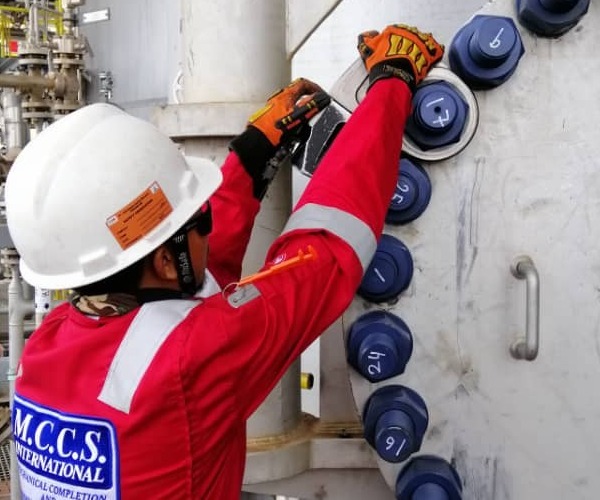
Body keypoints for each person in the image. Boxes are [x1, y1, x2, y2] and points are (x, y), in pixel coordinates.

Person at [5, 24, 443, 500]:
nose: (208, 225)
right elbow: (325, 253)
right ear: (168, 264)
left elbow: (185, 287)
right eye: (200, 217)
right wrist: (392, 81)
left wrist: (253, 155)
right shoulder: (191, 360)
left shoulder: (46, 349)